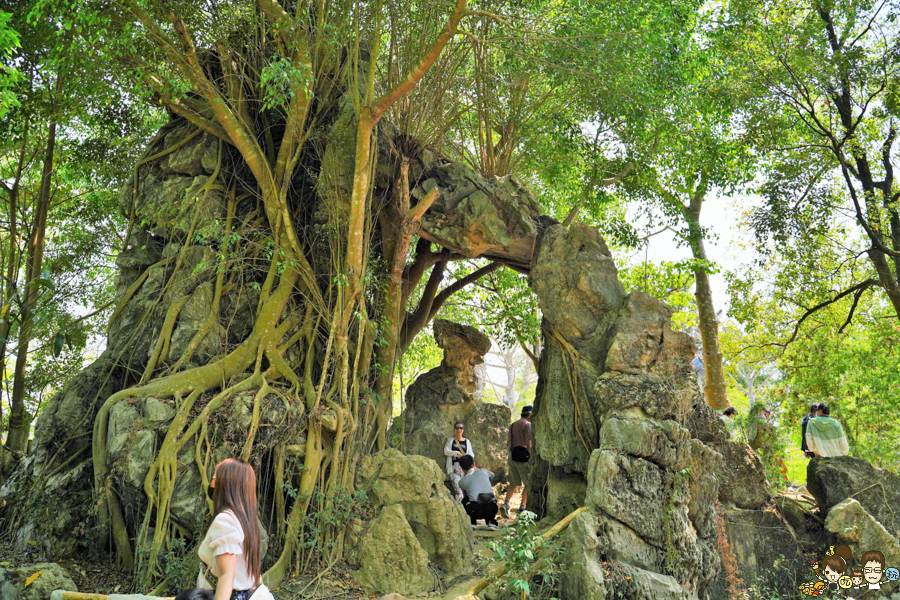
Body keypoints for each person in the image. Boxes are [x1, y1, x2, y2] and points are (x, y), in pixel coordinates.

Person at [199, 458, 274, 600]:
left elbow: (226, 576)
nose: (211, 484)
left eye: (214, 478)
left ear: (226, 485)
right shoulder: (246, 520)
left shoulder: (225, 521)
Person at [501, 405, 532, 519]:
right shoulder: (528, 425)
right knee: (529, 483)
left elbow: (508, 442)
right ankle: (522, 508)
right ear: (529, 415)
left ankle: (506, 503)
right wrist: (531, 455)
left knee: (514, 483)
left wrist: (511, 453)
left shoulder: (513, 425)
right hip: (523, 456)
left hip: (512, 455)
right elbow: (528, 443)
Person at [457, 455, 499, 529]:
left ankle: (472, 522)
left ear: (462, 468)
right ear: (474, 464)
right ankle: (490, 521)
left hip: (475, 511)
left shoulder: (462, 481)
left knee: (465, 500)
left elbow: (466, 495)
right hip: (492, 509)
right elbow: (493, 475)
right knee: (491, 499)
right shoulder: (484, 471)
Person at [444, 422, 474, 501]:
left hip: (464, 469)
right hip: (454, 468)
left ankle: (466, 510)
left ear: (463, 430)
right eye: (457, 428)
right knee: (458, 490)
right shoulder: (451, 440)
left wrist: (466, 458)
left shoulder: (467, 442)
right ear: (454, 430)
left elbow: (471, 454)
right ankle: (459, 509)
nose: (459, 430)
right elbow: (446, 451)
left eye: (461, 428)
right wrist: (456, 453)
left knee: (466, 491)